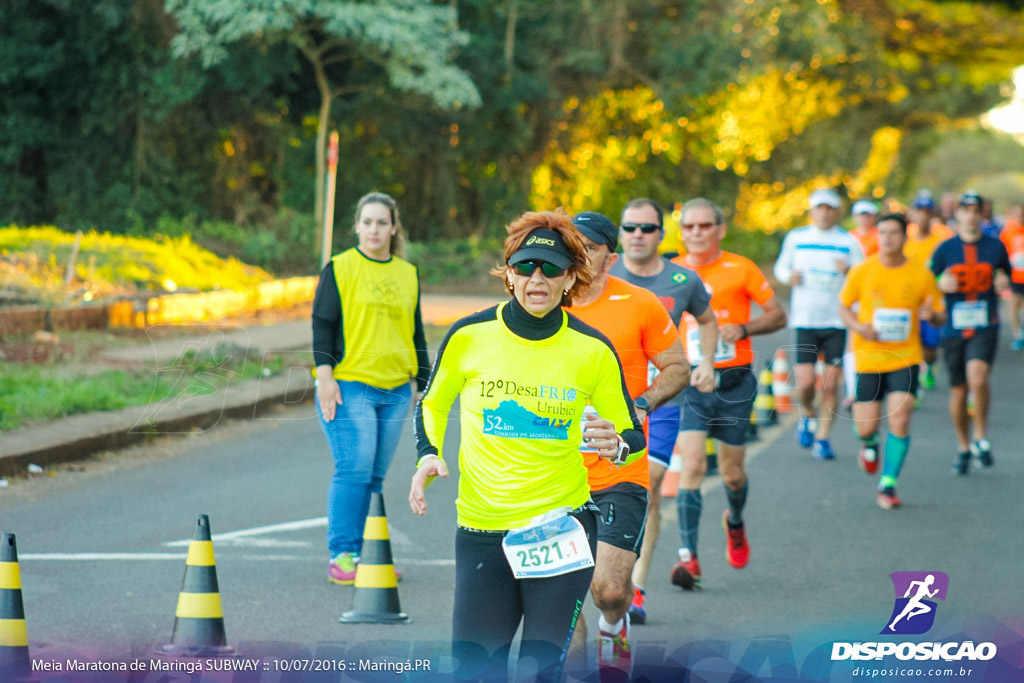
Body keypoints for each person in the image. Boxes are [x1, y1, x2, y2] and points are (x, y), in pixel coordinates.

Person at [409, 209, 647, 682]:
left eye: (552, 268)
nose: (537, 277)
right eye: (525, 266)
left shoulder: (592, 350)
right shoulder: (469, 335)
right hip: (482, 529)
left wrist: (615, 446)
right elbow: (432, 403)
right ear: (509, 276)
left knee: (542, 671)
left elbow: (632, 434)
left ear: (570, 280)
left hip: (561, 528)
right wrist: (428, 454)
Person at [565, 211, 691, 674]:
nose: (578, 256)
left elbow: (678, 366)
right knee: (564, 592)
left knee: (611, 590)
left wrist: (643, 402)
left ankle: (615, 628)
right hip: (554, 472)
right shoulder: (543, 305)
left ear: (609, 257)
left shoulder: (638, 303)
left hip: (619, 468)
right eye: (571, 245)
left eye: (590, 248)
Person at [606, 198, 718, 623]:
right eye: (630, 227)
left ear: (660, 234)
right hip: (605, 401)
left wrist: (706, 362)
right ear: (620, 233)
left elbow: (707, 321)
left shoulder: (682, 279)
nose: (638, 235)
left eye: (647, 229)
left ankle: (634, 585)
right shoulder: (601, 275)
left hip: (661, 401)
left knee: (646, 488)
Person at [312, 191, 430, 584]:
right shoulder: (340, 267)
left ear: (393, 227)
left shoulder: (407, 273)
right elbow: (322, 325)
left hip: (397, 388)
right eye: (367, 222)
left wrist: (421, 382)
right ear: (357, 226)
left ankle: (368, 555)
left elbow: (414, 330)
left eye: (382, 222)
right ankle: (342, 555)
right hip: (350, 384)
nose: (374, 229)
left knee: (375, 476)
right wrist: (324, 377)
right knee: (353, 469)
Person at [668, 198, 787, 589]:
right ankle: (689, 559)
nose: (697, 233)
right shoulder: (673, 273)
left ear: (720, 229)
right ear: (682, 231)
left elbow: (778, 315)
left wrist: (745, 329)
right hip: (690, 385)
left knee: (733, 474)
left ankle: (734, 521)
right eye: (689, 227)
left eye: (705, 226)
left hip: (734, 384)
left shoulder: (741, 268)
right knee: (693, 467)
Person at [838, 213, 945, 509]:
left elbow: (939, 314)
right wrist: (859, 327)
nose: (886, 238)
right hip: (869, 359)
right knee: (865, 427)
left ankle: (888, 483)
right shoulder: (862, 271)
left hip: (905, 357)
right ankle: (869, 443)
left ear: (904, 237)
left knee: (900, 417)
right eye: (882, 232)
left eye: (893, 232)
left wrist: (932, 316)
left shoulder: (920, 275)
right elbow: (844, 307)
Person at [773, 188, 864, 460]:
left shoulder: (848, 242)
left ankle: (823, 439)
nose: (823, 212)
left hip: (836, 322)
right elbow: (780, 267)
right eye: (819, 208)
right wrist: (790, 276)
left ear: (836, 212)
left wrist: (847, 271)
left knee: (830, 384)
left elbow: (862, 279)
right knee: (805, 382)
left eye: (829, 208)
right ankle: (808, 415)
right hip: (806, 320)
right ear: (811, 212)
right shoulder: (797, 238)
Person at [930, 192, 1013, 474]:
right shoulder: (944, 250)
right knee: (958, 389)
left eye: (976, 211)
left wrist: (1004, 282)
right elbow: (929, 286)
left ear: (981, 215)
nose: (971, 215)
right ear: (958, 215)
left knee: (977, 379)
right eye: (965, 210)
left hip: (984, 323)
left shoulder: (995, 247)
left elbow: (1006, 278)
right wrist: (941, 285)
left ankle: (981, 435)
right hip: (953, 325)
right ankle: (963, 445)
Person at [905, 192, 955, 392]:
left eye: (927, 212)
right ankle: (911, 388)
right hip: (908, 301)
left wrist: (942, 281)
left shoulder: (942, 240)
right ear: (912, 213)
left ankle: (931, 365)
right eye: (919, 211)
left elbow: (950, 268)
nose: (923, 216)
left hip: (932, 301)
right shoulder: (904, 239)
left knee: (930, 348)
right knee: (909, 344)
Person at [841, 200, 880, 411]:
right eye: (860, 214)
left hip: (878, 296)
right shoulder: (847, 238)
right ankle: (852, 391)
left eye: (868, 214)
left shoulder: (881, 236)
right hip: (855, 295)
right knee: (853, 340)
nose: (864, 218)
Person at [999, 202, 1024, 350]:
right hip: (1014, 276)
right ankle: (1017, 335)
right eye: (1018, 214)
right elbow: (1002, 254)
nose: (1020, 217)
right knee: (1014, 306)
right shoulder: (1007, 232)